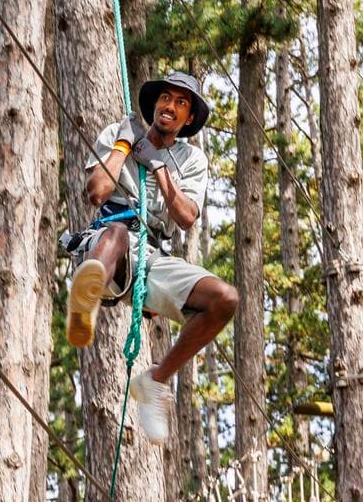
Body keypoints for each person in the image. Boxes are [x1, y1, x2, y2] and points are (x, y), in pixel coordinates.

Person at [63, 71, 238, 445]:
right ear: (155, 103)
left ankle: (156, 380)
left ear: (189, 117)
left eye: (180, 102)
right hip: (108, 247)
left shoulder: (192, 160)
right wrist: (125, 147)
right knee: (117, 234)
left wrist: (158, 166)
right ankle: (86, 300)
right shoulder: (119, 132)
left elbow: (187, 216)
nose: (169, 106)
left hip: (153, 256)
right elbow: (96, 192)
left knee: (225, 299)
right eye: (165, 98)